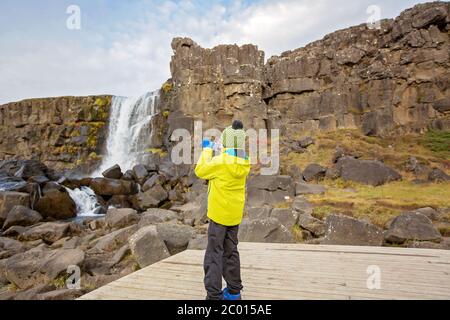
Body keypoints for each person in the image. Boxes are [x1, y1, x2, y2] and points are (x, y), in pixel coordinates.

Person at [195, 120, 251, 300]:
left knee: (214, 254)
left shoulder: (220, 162)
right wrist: (223, 149)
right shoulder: (244, 162)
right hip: (234, 216)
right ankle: (234, 292)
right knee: (231, 251)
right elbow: (231, 156)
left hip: (219, 216)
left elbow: (200, 170)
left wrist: (207, 149)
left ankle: (213, 296)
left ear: (226, 142)